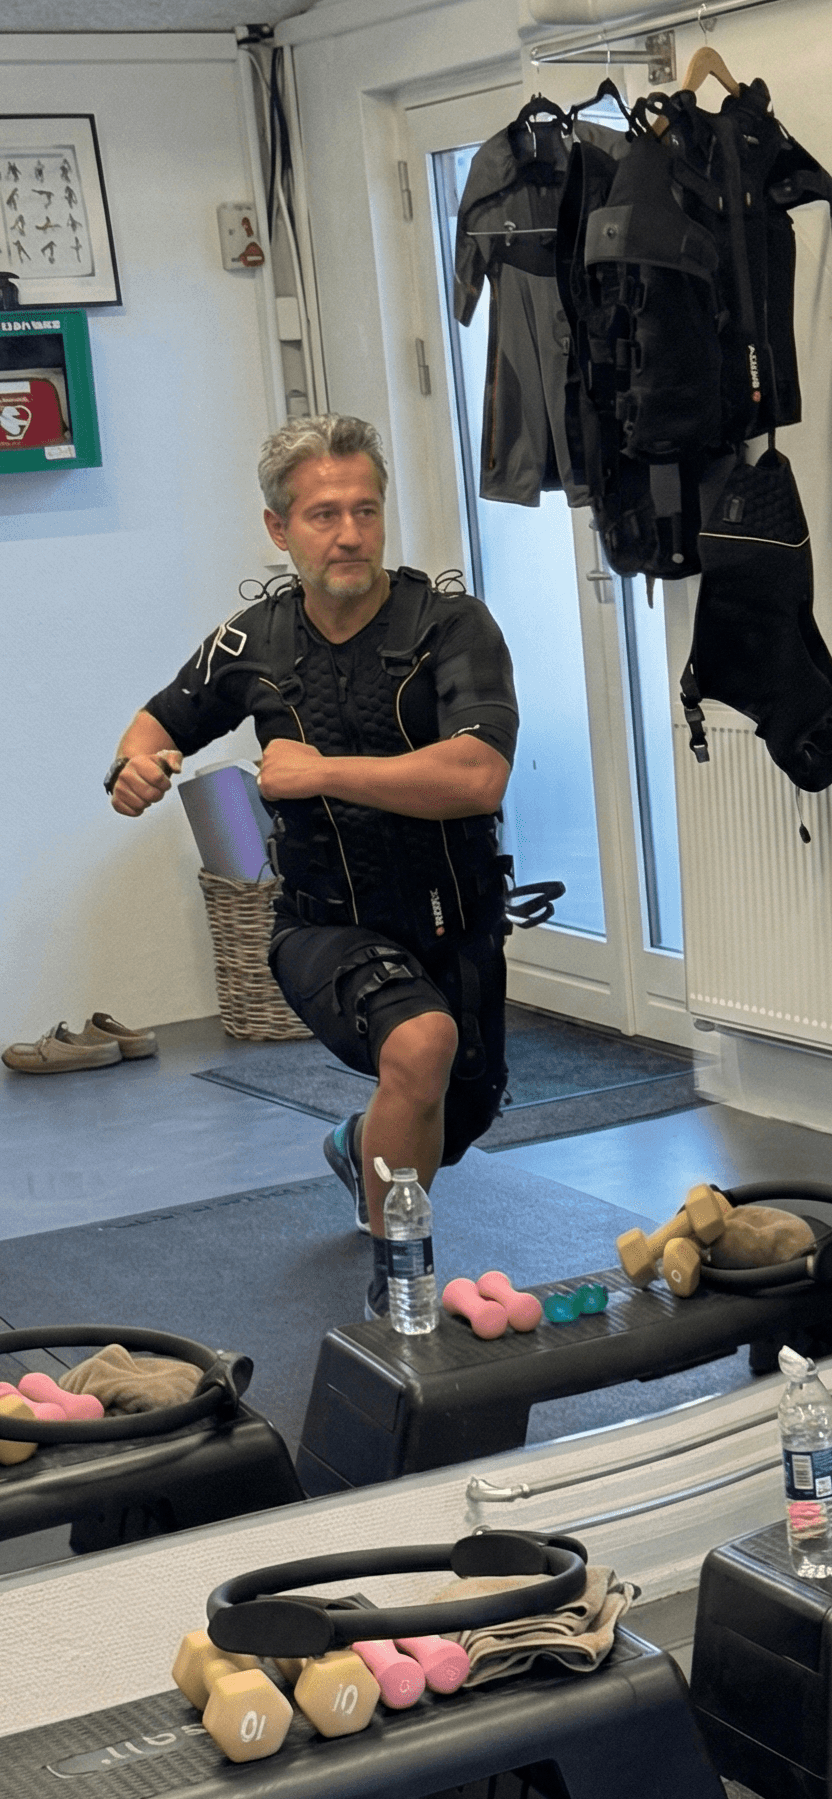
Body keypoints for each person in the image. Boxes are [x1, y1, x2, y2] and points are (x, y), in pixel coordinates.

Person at [108, 413, 521, 1320]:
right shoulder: (250, 642)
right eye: (324, 514)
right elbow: (154, 726)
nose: (348, 534)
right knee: (422, 1044)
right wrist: (134, 767)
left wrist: (320, 770)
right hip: (322, 925)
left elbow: (479, 775)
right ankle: (400, 1280)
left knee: (461, 1117)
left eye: (365, 511)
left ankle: (354, 1145)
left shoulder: (452, 626)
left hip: (458, 920)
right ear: (279, 529)